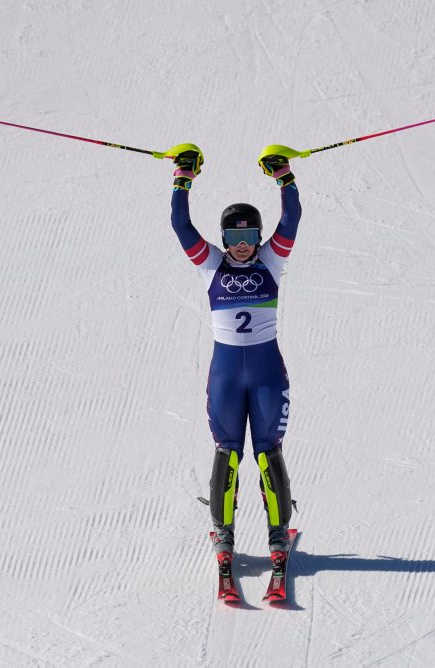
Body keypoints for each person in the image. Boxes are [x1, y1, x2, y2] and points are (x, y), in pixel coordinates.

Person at [169, 147, 301, 569]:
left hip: (265, 373)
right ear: (222, 239)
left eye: (249, 237)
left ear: (259, 238)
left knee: (268, 453)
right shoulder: (210, 263)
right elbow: (180, 224)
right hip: (227, 375)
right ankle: (223, 533)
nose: (242, 246)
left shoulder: (271, 260)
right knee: (227, 452)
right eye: (233, 238)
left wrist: (284, 175)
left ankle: (277, 535)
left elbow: (291, 219)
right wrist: (183, 177)